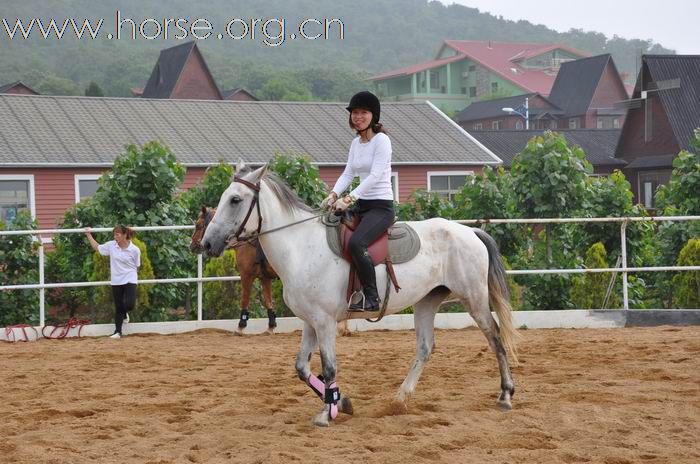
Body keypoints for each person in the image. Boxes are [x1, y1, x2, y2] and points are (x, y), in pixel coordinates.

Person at [321, 90, 394, 311]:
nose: (358, 116)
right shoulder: (356, 144)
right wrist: (333, 194)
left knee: (356, 243)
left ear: (373, 116)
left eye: (363, 112)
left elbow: (376, 175)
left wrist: (350, 198)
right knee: (329, 228)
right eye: (354, 112)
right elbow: (348, 173)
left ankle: (372, 298)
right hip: (362, 206)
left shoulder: (382, 141)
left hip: (381, 207)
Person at [85, 225, 141, 339]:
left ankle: (125, 313)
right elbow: (98, 248)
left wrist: (131, 276)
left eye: (117, 234)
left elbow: (137, 265)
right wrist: (88, 235)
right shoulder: (111, 245)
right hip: (116, 280)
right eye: (114, 234)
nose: (115, 237)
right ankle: (117, 331)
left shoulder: (134, 250)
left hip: (130, 278)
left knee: (129, 305)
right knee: (119, 306)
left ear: (125, 235)